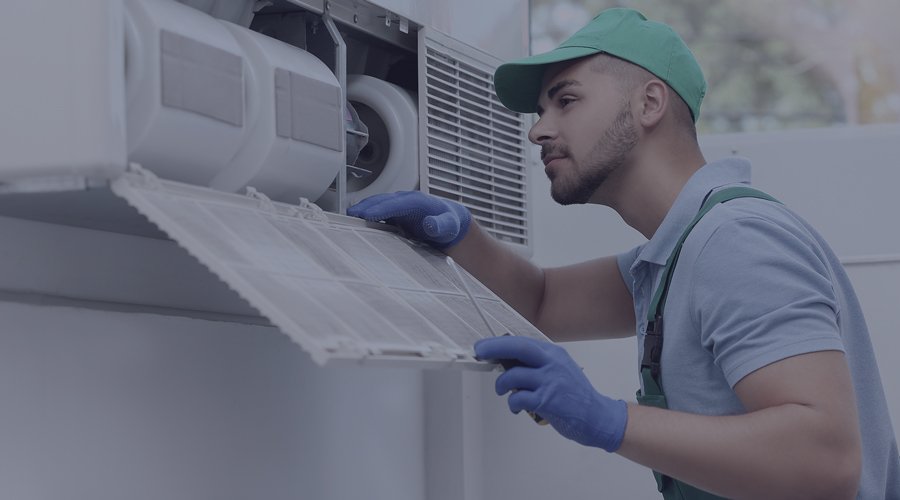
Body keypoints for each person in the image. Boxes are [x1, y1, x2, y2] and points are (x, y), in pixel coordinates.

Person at [348, 7, 900, 499]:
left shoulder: (735, 241)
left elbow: (827, 460)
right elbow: (540, 302)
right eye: (542, 111)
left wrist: (607, 418)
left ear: (649, 103)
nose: (539, 130)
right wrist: (459, 235)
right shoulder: (673, 255)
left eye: (566, 100)